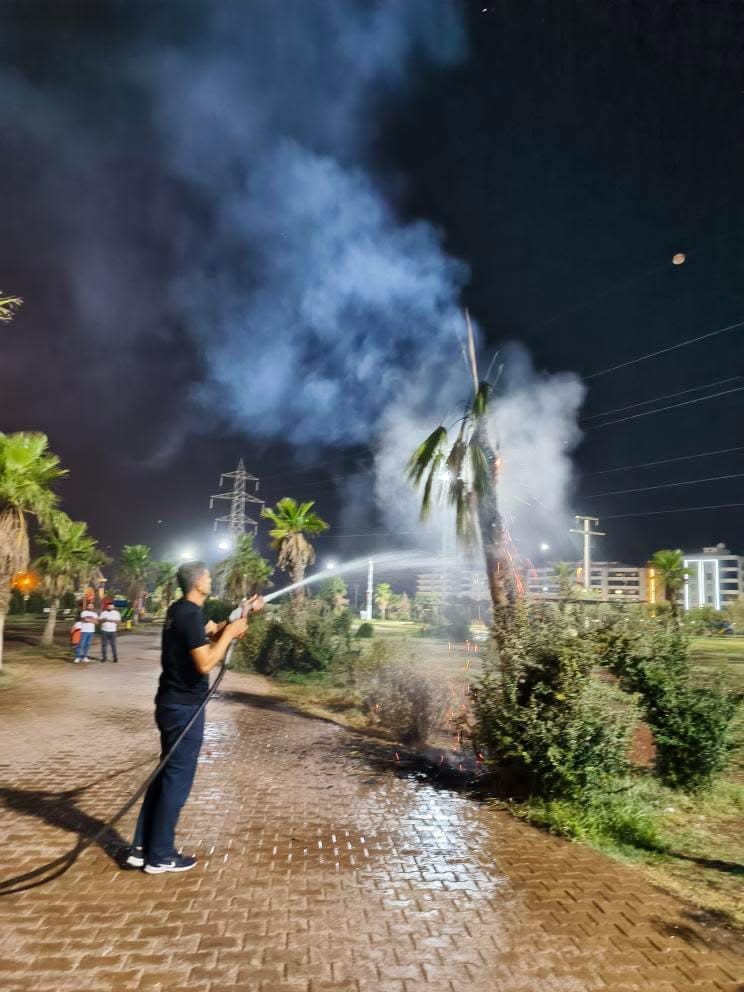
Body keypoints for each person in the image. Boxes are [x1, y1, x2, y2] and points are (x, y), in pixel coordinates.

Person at [126, 560, 263, 874]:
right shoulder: (188, 614)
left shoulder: (180, 611)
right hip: (184, 709)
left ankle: (142, 848)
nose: (211, 580)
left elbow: (199, 640)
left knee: (164, 775)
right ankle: (161, 855)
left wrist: (235, 618)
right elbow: (204, 664)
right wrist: (228, 635)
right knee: (177, 781)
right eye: (209, 576)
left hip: (171, 703)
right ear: (198, 581)